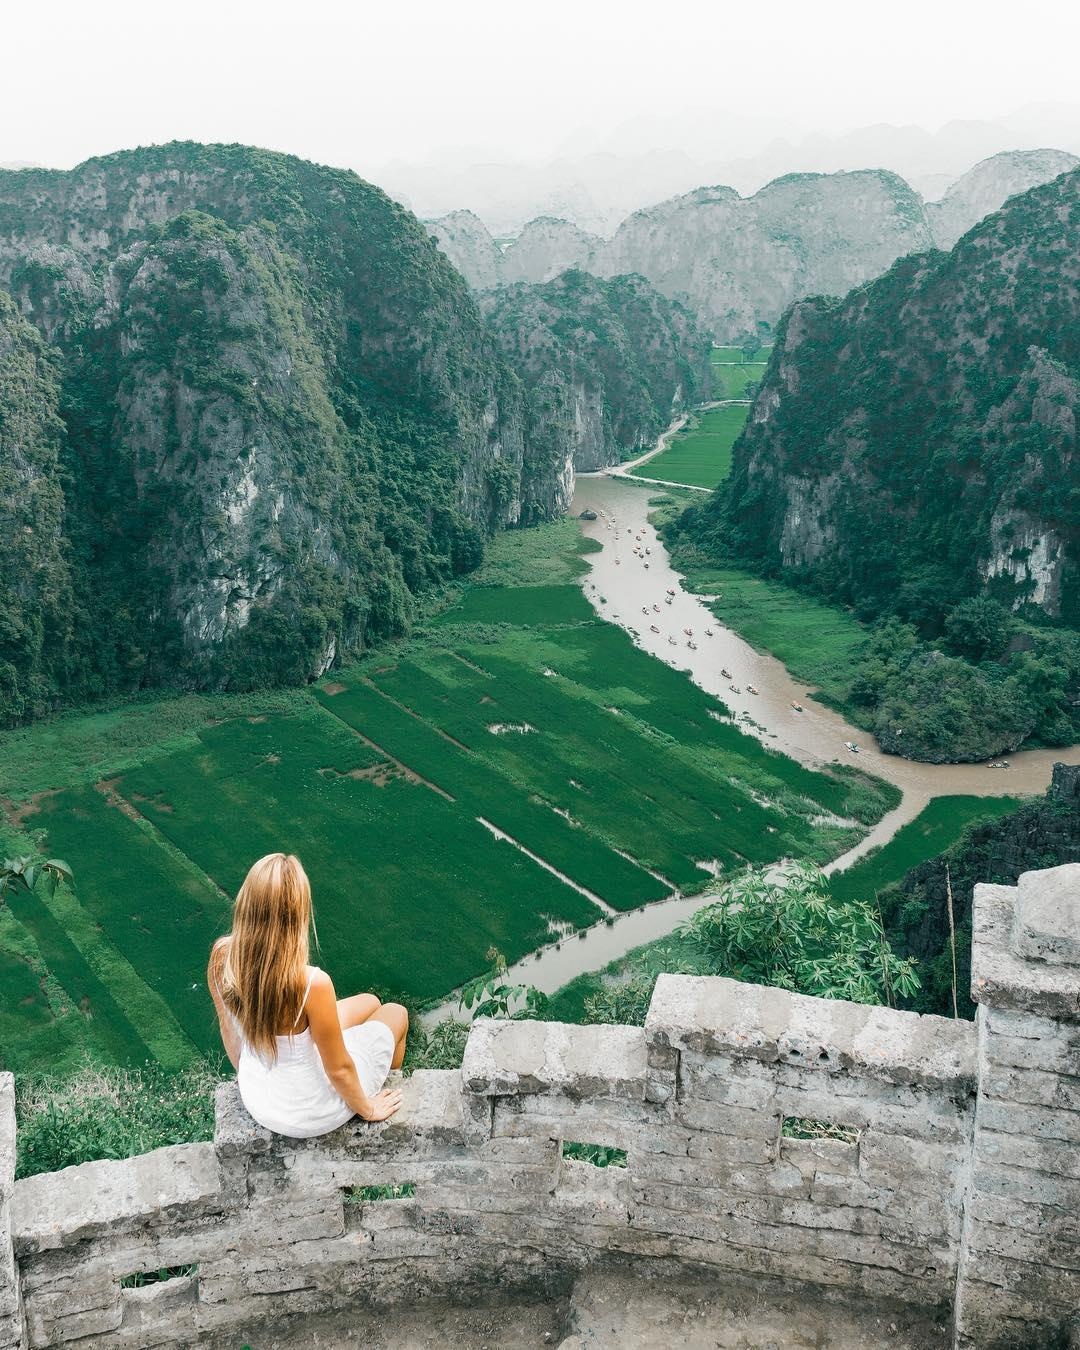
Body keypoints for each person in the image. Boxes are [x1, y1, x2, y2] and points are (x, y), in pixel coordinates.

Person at [208, 853, 407, 1136]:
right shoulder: (312, 983)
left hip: (260, 1092)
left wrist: (253, 1080)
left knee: (370, 1002)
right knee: (395, 1012)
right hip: (311, 1109)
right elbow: (338, 1070)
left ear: (246, 905)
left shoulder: (222, 957)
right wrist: (369, 1109)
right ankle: (393, 1079)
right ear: (296, 914)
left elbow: (230, 1032)